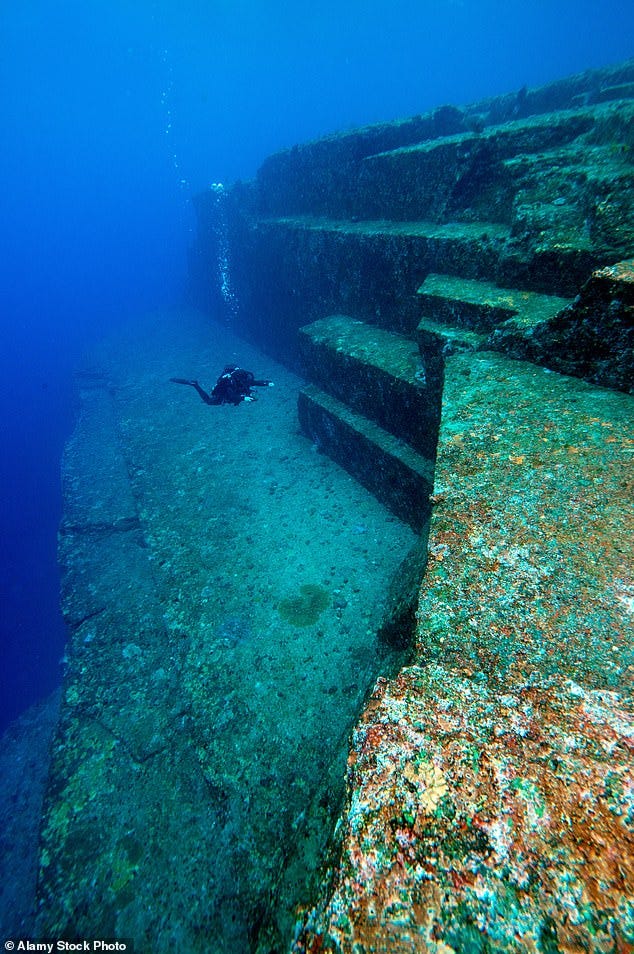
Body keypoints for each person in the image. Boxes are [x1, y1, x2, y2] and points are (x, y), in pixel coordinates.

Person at [170, 365, 273, 405]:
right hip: (224, 393)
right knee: (209, 401)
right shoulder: (231, 384)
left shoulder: (244, 380)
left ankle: (194, 384)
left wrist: (267, 383)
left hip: (234, 393)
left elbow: (256, 382)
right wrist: (244, 398)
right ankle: (194, 385)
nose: (249, 381)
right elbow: (232, 396)